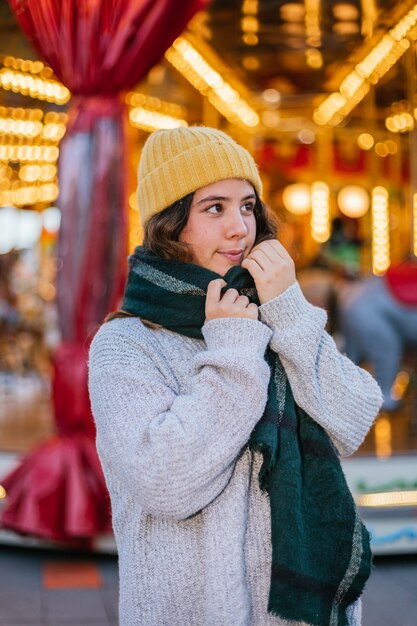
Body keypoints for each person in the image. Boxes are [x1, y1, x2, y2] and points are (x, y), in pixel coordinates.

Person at [88, 127, 383, 626]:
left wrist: (288, 310)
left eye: (247, 206)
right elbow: (167, 482)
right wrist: (232, 349)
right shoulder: (126, 344)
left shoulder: (271, 314)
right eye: (214, 208)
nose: (239, 228)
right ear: (169, 224)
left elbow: (353, 418)